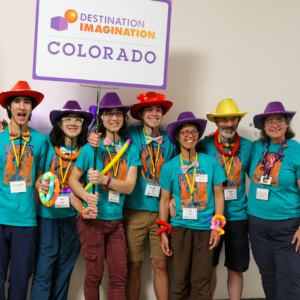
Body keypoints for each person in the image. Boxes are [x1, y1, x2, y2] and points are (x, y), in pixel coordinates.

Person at [88, 92, 175, 300]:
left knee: (160, 264)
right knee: (133, 265)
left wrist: (174, 196)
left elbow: (177, 168)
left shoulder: (170, 140)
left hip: (161, 211)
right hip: (133, 210)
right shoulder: (130, 134)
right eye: (150, 110)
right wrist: (90, 134)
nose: (154, 114)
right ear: (141, 114)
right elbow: (106, 133)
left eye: (158, 110)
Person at [169, 99, 252, 300]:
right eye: (224, 119)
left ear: (238, 121)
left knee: (236, 267)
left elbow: (258, 177)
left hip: (238, 216)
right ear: (216, 122)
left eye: (233, 119)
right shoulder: (204, 144)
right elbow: (179, 169)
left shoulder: (250, 147)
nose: (229, 123)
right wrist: (172, 196)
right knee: (208, 267)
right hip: (209, 217)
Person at [69, 92, 141, 300]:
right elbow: (72, 180)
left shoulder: (131, 150)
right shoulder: (90, 147)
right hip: (92, 221)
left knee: (119, 277)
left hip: (116, 222)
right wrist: (85, 196)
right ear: (102, 118)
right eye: (109, 114)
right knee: (93, 276)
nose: (114, 118)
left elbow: (128, 187)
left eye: (118, 113)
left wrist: (105, 180)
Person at [30, 101, 94, 300]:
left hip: (75, 217)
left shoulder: (88, 150)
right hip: (48, 215)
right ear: (59, 123)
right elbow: (38, 174)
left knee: (65, 268)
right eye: (68, 119)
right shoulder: (47, 144)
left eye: (78, 120)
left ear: (83, 125)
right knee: (44, 269)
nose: (73, 123)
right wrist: (39, 181)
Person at [159, 111, 226, 300]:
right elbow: (164, 201)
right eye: (185, 132)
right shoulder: (169, 166)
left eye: (194, 131)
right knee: (180, 280)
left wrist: (217, 227)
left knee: (202, 279)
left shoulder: (211, 163)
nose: (190, 135)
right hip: (180, 228)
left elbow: (219, 196)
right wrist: (163, 232)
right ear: (178, 136)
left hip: (205, 228)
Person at [0, 81, 48, 300]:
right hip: (0, 217)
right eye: (17, 101)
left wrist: (40, 183)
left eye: (27, 102)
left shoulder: (40, 140)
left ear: (32, 107)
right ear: (9, 107)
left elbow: (39, 174)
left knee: (20, 280)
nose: (22, 106)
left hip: (26, 221)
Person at [248, 101, 300, 300]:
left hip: (288, 226)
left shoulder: (297, 151)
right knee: (268, 275)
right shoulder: (256, 148)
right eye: (270, 121)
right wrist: (211, 138)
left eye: (280, 120)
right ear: (263, 127)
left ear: (287, 124)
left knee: (290, 276)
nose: (275, 125)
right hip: (257, 224)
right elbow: (230, 148)